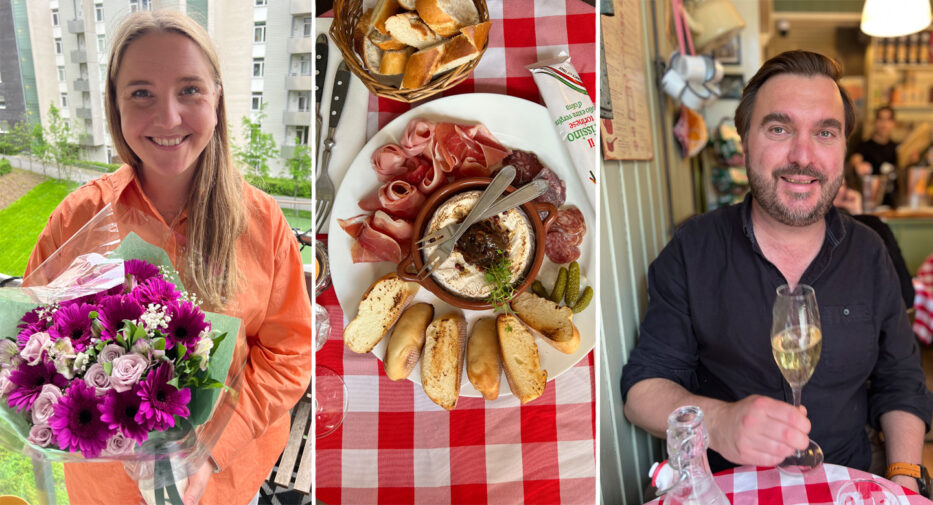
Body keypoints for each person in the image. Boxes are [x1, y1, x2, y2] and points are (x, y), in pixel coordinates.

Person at [24, 11, 312, 505]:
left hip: (227, 481)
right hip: (105, 490)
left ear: (217, 97)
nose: (169, 118)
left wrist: (208, 447)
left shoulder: (264, 223)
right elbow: (29, 347)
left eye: (190, 90)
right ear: (115, 107)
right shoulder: (77, 219)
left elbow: (289, 353)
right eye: (141, 94)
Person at [621, 51, 932, 493]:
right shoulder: (694, 249)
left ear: (844, 148)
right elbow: (642, 392)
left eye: (826, 132)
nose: (802, 156)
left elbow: (901, 381)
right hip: (725, 487)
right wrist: (720, 422)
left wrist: (904, 479)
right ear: (745, 140)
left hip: (846, 483)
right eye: (779, 128)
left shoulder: (870, 253)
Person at [833, 184, 915, 309]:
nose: (840, 189)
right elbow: (907, 297)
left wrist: (857, 214)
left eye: (842, 184)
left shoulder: (870, 227)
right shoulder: (874, 226)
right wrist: (858, 213)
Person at [849, 105, 899, 207]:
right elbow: (855, 159)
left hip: (891, 203)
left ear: (893, 123)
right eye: (881, 119)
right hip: (870, 203)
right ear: (875, 122)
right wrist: (858, 165)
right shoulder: (864, 146)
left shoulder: (895, 147)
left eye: (888, 119)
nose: (884, 124)